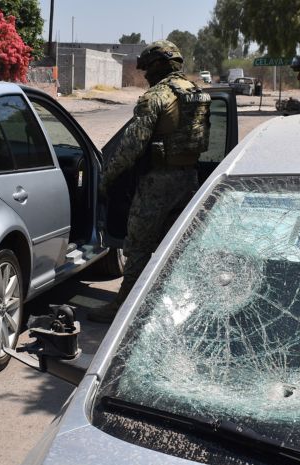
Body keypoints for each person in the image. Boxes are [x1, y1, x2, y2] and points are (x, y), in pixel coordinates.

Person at [87, 40, 212, 323]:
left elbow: (132, 145)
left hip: (158, 182)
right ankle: (176, 307)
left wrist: (106, 180)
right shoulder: (197, 93)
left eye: (147, 69)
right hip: (189, 179)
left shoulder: (156, 96)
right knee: (176, 247)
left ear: (158, 66)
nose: (144, 76)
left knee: (139, 246)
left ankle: (124, 309)